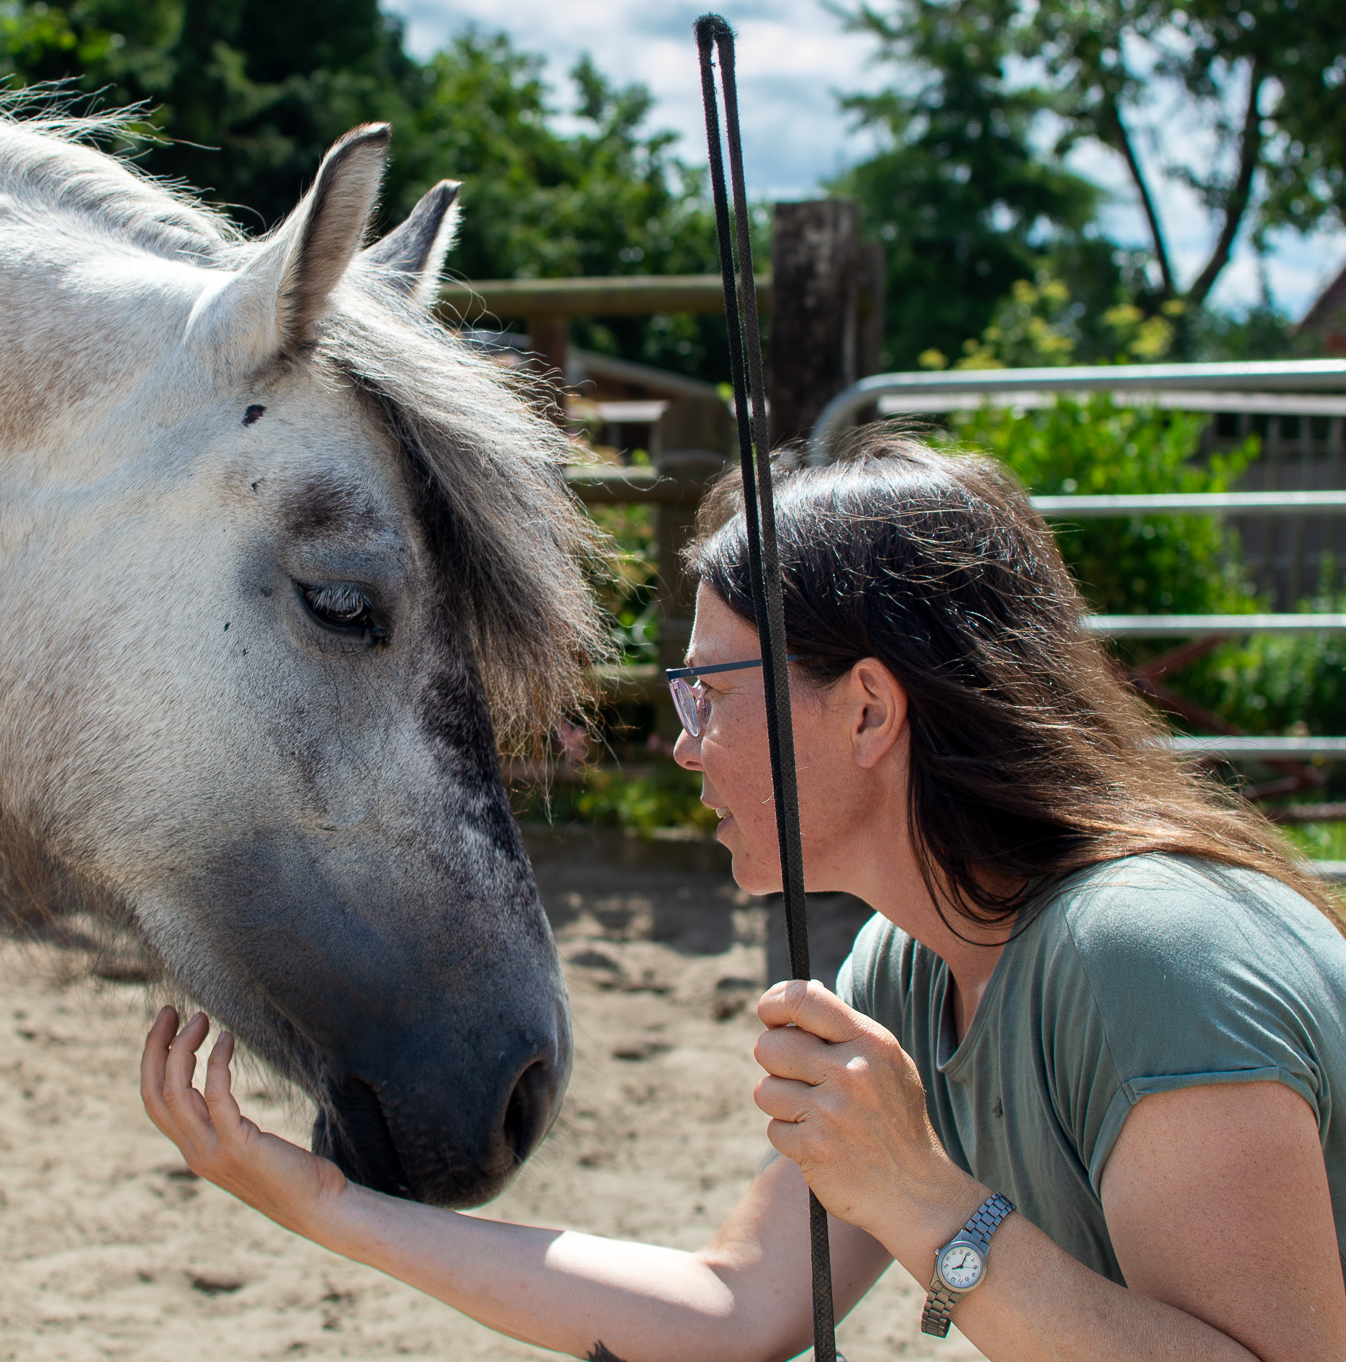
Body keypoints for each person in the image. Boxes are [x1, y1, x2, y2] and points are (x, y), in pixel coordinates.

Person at [139, 434, 1346, 1361]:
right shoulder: (910, 967)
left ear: (866, 710)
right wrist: (328, 1206)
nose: (683, 746)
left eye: (709, 694)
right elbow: (732, 1309)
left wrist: (926, 1203)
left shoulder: (1145, 954)